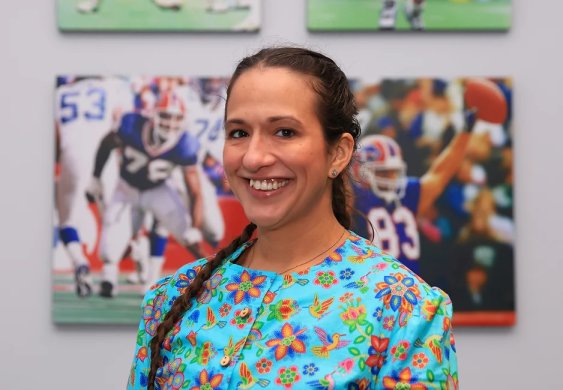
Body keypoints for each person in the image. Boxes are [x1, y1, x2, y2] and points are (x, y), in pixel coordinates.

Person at [128, 47, 458, 389]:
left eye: (284, 132)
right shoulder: (171, 298)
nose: (254, 158)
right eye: (238, 133)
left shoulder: (404, 309)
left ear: (339, 153)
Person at [88, 88, 206, 297]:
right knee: (109, 249)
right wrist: (96, 177)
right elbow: (106, 145)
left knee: (188, 235)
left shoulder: (185, 145)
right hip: (126, 188)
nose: (170, 123)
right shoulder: (131, 126)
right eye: (166, 116)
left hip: (157, 189)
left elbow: (195, 191)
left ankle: (213, 274)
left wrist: (195, 227)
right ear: (153, 115)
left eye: (176, 118)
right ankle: (109, 277)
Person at [352, 108, 475, 274]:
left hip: (408, 287)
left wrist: (465, 132)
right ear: (361, 170)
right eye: (383, 171)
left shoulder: (405, 194)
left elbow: (441, 173)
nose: (391, 177)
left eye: (393, 171)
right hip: (369, 289)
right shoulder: (352, 197)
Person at [54, 76, 132, 297]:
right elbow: (121, 124)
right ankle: (109, 275)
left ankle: (80, 263)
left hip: (71, 154)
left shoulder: (61, 93)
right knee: (113, 215)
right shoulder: (114, 86)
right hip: (103, 155)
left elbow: (56, 136)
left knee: (67, 221)